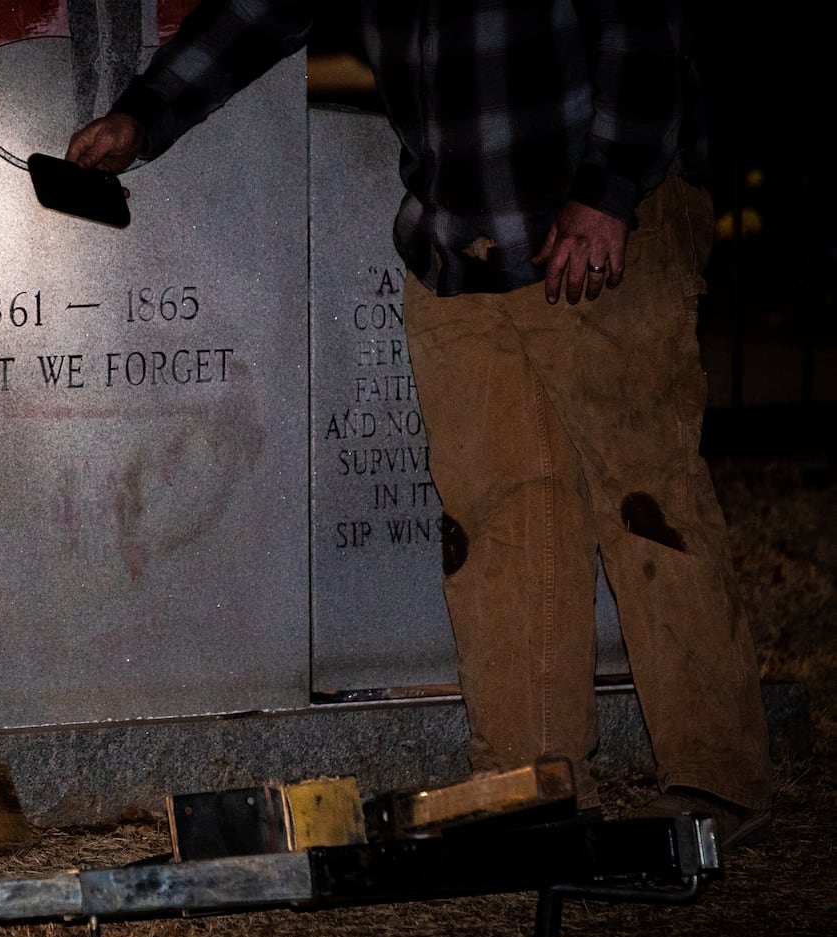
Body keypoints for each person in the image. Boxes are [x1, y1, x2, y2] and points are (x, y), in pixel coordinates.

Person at [66, 0, 773, 847]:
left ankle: (716, 779)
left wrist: (610, 187)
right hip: (459, 245)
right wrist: (141, 116)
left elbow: (644, 22)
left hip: (598, 223)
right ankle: (531, 780)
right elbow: (255, 12)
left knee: (647, 505)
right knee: (501, 520)